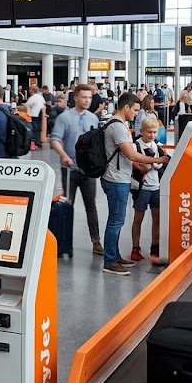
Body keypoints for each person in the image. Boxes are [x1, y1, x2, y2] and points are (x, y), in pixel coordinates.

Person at [99, 93, 170, 275]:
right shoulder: (118, 127)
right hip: (116, 179)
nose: (137, 114)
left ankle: (114, 256)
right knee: (116, 221)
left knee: (118, 219)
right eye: (136, 110)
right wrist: (158, 159)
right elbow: (131, 154)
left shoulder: (118, 124)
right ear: (126, 107)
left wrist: (137, 165)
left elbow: (124, 155)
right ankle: (109, 261)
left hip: (119, 177)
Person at [50, 84, 104, 256]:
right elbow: (55, 140)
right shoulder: (64, 118)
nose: (87, 100)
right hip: (70, 169)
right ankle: (64, 243)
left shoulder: (93, 119)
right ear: (76, 98)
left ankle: (96, 241)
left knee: (91, 206)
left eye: (89, 97)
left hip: (88, 170)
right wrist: (64, 156)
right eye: (84, 97)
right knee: (67, 206)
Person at [130, 117, 165, 263]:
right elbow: (135, 163)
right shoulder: (135, 146)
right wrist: (153, 163)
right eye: (149, 132)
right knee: (138, 218)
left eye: (155, 132)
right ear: (141, 131)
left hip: (156, 186)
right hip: (142, 188)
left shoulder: (158, 146)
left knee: (157, 218)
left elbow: (162, 162)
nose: (152, 135)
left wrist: (155, 163)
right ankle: (135, 247)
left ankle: (155, 246)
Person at [25, 85, 46, 150]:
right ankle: (38, 141)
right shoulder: (41, 97)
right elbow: (44, 104)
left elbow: (27, 105)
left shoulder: (32, 98)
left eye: (30, 89)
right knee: (38, 129)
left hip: (32, 114)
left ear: (32, 90)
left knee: (33, 129)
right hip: (39, 114)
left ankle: (34, 142)